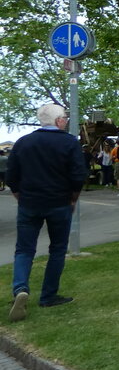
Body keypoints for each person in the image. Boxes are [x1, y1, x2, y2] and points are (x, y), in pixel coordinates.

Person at [8, 103, 90, 321]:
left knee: (24, 250)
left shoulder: (23, 143)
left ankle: (20, 289)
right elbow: (78, 174)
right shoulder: (69, 143)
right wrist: (73, 198)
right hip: (59, 203)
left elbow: (11, 176)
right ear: (58, 121)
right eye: (64, 117)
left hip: (29, 203)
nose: (66, 120)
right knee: (57, 249)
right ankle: (48, 295)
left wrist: (19, 196)